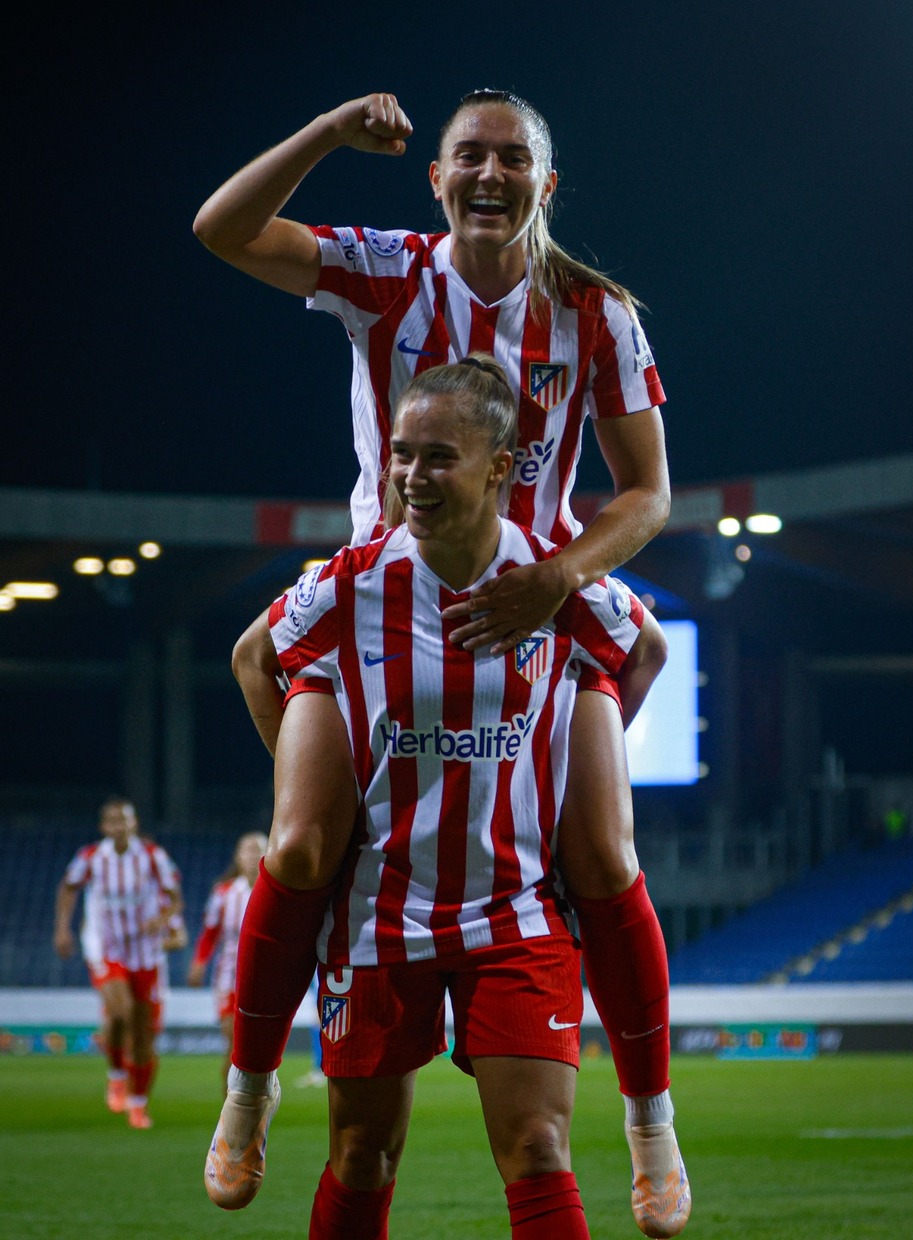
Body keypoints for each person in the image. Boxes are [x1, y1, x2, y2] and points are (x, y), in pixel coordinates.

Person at [193, 89, 688, 1236]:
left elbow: (650, 492)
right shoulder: (386, 271)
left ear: (544, 184)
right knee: (311, 838)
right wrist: (321, 133)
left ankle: (650, 1119)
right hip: (379, 598)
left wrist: (557, 580)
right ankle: (249, 1089)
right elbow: (221, 231)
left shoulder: (596, 314)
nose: (489, 173)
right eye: (469, 154)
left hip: (534, 593)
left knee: (603, 852)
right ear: (436, 175)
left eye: (514, 158)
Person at [54, 797, 183, 1129]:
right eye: (112, 821)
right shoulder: (92, 858)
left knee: (142, 1035)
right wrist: (63, 929)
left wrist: (162, 919)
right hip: (105, 945)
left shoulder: (153, 856)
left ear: (134, 823)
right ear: (104, 827)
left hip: (145, 950)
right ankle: (115, 1074)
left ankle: (138, 1103)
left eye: (124, 820)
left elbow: (175, 898)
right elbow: (68, 888)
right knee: (121, 1011)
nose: (119, 826)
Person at [187, 831, 269, 1095]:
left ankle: (253, 1105)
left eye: (258, 848)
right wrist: (199, 963)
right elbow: (210, 933)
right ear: (238, 857)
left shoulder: (277, 891)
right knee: (236, 1047)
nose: (253, 854)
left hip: (266, 980)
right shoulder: (224, 894)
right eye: (247, 849)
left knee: (260, 1052)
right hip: (228, 979)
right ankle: (231, 1111)